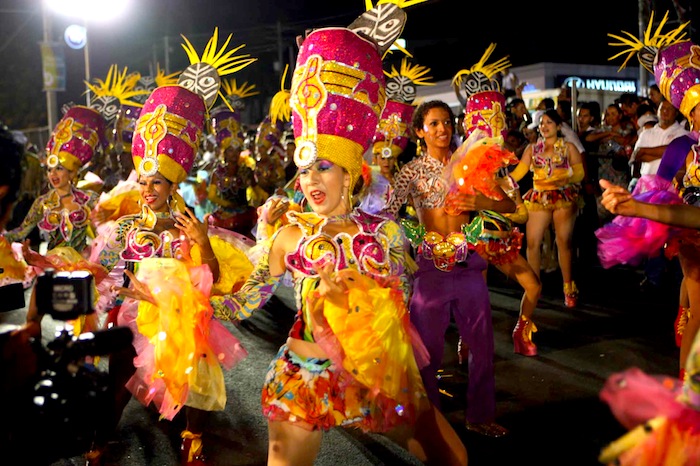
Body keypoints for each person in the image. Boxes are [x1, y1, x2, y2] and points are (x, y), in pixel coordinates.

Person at [211, 19, 468, 466]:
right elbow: (244, 303)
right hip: (304, 376)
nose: (310, 180)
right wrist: (197, 291)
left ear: (350, 173)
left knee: (453, 456)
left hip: (373, 373)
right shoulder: (290, 235)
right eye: (306, 169)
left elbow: (402, 299)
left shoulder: (384, 231)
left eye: (324, 167)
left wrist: (355, 303)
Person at [384, 90, 515, 438]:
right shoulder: (411, 171)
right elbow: (383, 210)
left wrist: (480, 199)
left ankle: (480, 415)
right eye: (434, 123)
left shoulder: (472, 164)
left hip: (470, 265)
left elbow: (511, 206)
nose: (443, 128)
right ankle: (431, 420)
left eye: (447, 122)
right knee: (426, 351)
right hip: (429, 271)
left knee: (483, 346)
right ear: (420, 132)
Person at [510, 109, 584, 307]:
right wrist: (500, 180)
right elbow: (518, 173)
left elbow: (579, 173)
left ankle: (568, 287)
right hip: (539, 196)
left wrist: (563, 178)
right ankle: (534, 287)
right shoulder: (532, 149)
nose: (544, 126)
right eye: (541, 123)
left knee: (563, 242)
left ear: (558, 126)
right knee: (533, 242)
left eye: (549, 122)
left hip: (563, 196)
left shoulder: (568, 147)